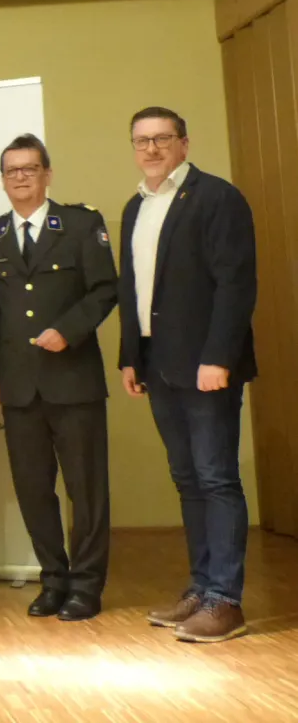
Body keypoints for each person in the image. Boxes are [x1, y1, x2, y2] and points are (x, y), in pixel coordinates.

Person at [118, 107, 257, 643]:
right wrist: (131, 355)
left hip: (206, 366)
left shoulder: (217, 197)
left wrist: (218, 357)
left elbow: (236, 284)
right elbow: (133, 287)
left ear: (183, 142)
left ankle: (226, 600)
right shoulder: (136, 207)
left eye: (161, 139)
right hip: (159, 364)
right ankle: (200, 588)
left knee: (217, 477)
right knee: (188, 478)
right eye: (141, 141)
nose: (151, 149)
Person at [0, 134, 117, 623]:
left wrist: (69, 331)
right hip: (19, 385)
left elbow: (104, 290)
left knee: (86, 489)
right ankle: (53, 579)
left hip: (73, 379)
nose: (21, 177)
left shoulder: (80, 224)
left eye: (30, 169)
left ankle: (86, 584)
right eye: (12, 170)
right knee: (34, 488)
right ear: (2, 179)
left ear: (47, 174)